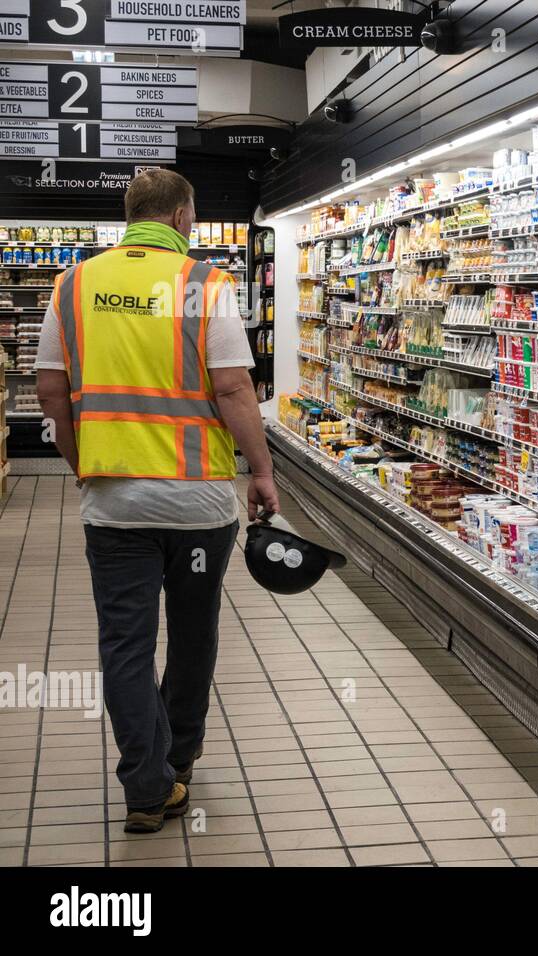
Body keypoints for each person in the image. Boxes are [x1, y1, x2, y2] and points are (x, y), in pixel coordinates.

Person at [35, 168, 280, 833]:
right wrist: (260, 471)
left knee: (125, 645)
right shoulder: (205, 285)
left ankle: (147, 787)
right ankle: (182, 756)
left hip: (114, 506)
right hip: (198, 505)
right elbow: (232, 390)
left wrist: (82, 462)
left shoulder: (73, 285)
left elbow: (50, 393)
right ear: (178, 218)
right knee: (194, 632)